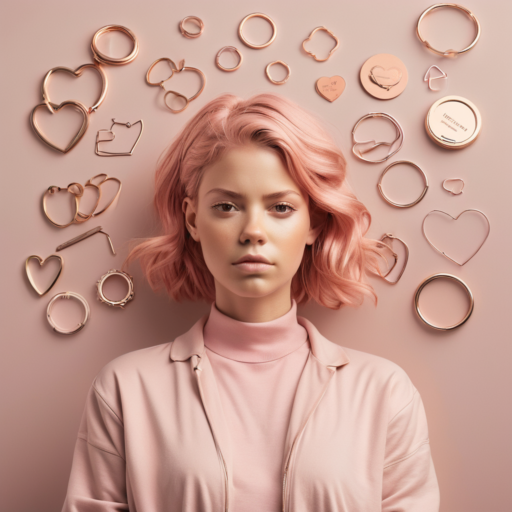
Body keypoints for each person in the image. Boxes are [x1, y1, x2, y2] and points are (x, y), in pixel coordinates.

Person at [61, 93, 440, 512]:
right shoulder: (126, 388)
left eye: (280, 207)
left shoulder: (383, 391)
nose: (253, 231)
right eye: (227, 206)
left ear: (313, 222)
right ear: (192, 220)